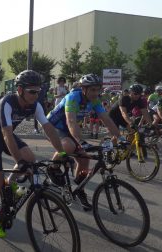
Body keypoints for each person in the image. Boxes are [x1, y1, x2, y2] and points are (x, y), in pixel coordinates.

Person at [0, 70, 66, 238]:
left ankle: (11, 181)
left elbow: (48, 128)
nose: (37, 95)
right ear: (20, 90)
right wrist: (18, 161)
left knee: (30, 158)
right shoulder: (8, 102)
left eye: (39, 91)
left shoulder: (35, 105)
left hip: (7, 135)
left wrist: (62, 152)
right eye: (32, 91)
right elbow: (6, 133)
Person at [47, 74, 123, 211]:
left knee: (84, 160)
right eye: (92, 90)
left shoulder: (94, 101)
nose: (96, 93)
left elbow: (106, 119)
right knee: (69, 146)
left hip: (70, 129)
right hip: (54, 126)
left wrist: (120, 137)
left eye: (98, 90)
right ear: (83, 89)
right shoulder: (73, 97)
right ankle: (52, 168)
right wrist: (80, 141)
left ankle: (79, 188)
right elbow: (71, 121)